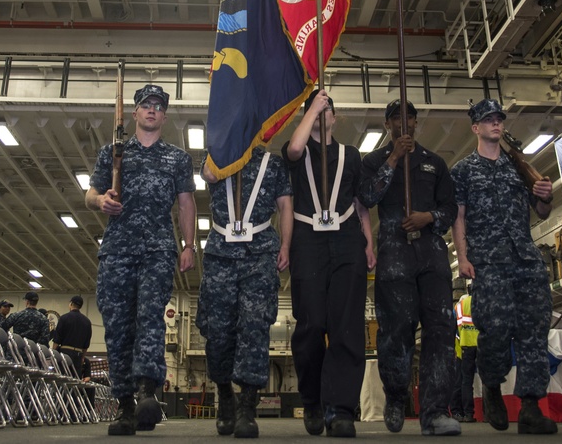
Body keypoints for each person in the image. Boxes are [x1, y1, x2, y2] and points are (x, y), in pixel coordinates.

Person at [85, 83, 197, 436]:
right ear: (134, 113)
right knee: (118, 328)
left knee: (150, 316)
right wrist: (100, 201)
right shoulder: (112, 153)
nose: (151, 110)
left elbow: (185, 203)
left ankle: (148, 389)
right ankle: (124, 405)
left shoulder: (177, 158)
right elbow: (89, 193)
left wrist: (189, 244)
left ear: (164, 115)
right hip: (117, 250)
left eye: (158, 106)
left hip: (158, 250)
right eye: (145, 105)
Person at [450, 98, 557, 435]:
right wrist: (464, 258)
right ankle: (493, 386)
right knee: (494, 329)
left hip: (526, 259)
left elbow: (541, 214)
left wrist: (544, 196)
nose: (496, 124)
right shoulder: (464, 170)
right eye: (488, 120)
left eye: (499, 118)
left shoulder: (519, 168)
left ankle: (530, 406)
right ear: (476, 127)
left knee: (534, 333)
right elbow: (459, 217)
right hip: (489, 263)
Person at [358, 98, 460, 436]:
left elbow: (450, 207)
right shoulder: (373, 160)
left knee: (441, 330)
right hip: (393, 252)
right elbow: (368, 197)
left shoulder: (434, 162)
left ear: (417, 123)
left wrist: (428, 217)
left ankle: (434, 412)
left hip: (431, 252)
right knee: (396, 329)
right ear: (388, 125)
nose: (405, 124)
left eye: (410, 118)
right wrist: (394, 158)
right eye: (397, 119)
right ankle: (396, 396)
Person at [282, 89, 375, 438]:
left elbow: (360, 202)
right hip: (309, 241)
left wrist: (369, 243)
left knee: (346, 327)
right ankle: (312, 400)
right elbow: (292, 149)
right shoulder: (298, 149)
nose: (324, 113)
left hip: (347, 239)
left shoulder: (352, 155)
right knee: (310, 325)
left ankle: (341, 409)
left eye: (328, 109)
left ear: (336, 118)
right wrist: (311, 108)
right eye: (318, 109)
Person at [196, 146, 293, 438]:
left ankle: (248, 406)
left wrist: (286, 245)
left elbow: (286, 206)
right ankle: (226, 395)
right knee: (218, 332)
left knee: (255, 328)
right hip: (220, 253)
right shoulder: (216, 155)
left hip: (260, 252)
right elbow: (209, 174)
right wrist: (228, 144)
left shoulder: (273, 164)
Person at [450, 287, 478, 423]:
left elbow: (453, 328)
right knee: (488, 379)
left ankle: (466, 413)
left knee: (464, 381)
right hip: (481, 344)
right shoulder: (481, 302)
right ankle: (490, 414)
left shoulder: (458, 306)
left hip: (463, 346)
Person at [52, 295, 93, 379]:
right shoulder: (87, 322)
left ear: (71, 304)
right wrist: (82, 358)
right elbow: (86, 344)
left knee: (62, 378)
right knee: (75, 381)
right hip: (78, 354)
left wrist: (53, 352)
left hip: (64, 353)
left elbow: (57, 339)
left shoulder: (64, 318)